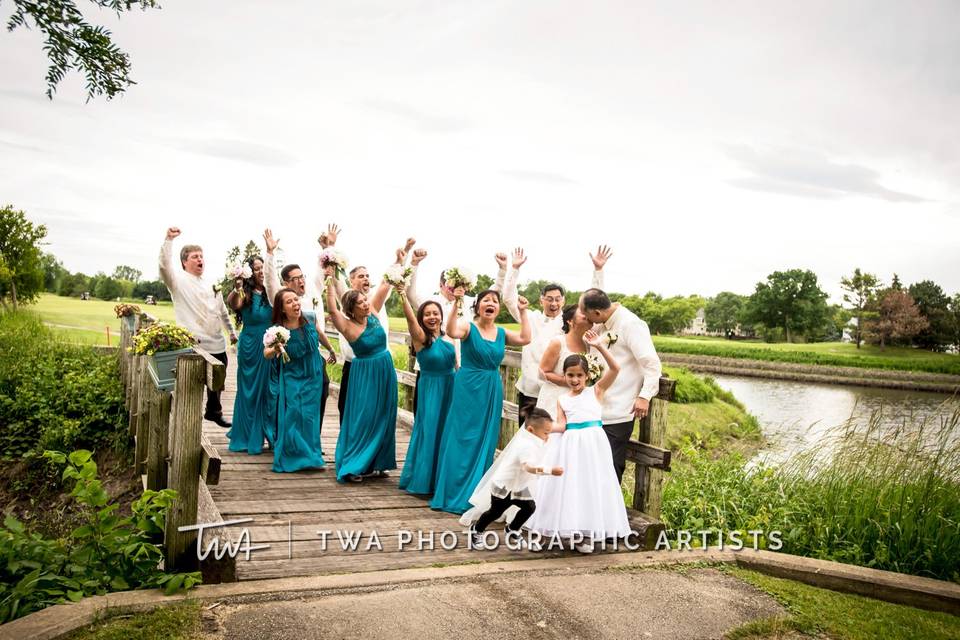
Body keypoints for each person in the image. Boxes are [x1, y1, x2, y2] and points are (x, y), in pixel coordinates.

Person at [527, 332, 631, 553]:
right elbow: (562, 425)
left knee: (589, 487)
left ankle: (583, 535)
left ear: (587, 376)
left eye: (579, 375)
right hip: (570, 447)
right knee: (564, 488)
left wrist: (600, 346)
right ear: (564, 375)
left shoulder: (596, 391)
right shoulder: (562, 399)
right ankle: (543, 534)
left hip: (593, 447)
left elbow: (615, 369)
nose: (574, 380)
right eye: (570, 375)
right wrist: (543, 429)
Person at [429, 289, 531, 514]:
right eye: (486, 300)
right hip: (467, 386)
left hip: (491, 387)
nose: (491, 303)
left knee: (485, 438)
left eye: (495, 301)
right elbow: (451, 330)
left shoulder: (502, 332)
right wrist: (456, 302)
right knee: (462, 436)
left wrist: (523, 313)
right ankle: (452, 490)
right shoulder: (468, 326)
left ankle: (476, 491)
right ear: (478, 306)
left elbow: (525, 338)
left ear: (498, 309)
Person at [502, 246, 611, 425]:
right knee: (529, 440)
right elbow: (508, 299)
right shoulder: (530, 317)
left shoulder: (569, 321)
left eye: (558, 299)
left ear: (564, 300)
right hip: (530, 390)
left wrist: (598, 270)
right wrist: (514, 268)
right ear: (541, 300)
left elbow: (592, 302)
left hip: (559, 393)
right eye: (549, 299)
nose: (554, 303)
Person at [405, 248, 514, 413]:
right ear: (441, 285)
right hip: (432, 366)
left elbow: (493, 293)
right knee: (426, 412)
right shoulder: (431, 303)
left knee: (453, 414)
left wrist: (502, 270)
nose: (455, 290)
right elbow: (410, 293)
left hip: (461, 369)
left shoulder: (470, 303)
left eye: (459, 286)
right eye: (451, 287)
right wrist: (414, 264)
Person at [324, 262, 397, 483]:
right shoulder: (346, 325)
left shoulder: (373, 312)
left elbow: (385, 285)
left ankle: (378, 462)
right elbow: (332, 308)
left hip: (385, 369)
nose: (366, 303)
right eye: (360, 303)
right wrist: (329, 280)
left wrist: (399, 262)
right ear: (351, 309)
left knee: (385, 416)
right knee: (363, 418)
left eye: (365, 300)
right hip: (364, 374)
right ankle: (355, 463)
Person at [579, 288, 662, 483]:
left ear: (597, 313)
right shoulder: (601, 322)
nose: (585, 319)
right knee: (589, 467)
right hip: (594, 409)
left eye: (587, 315)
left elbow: (652, 364)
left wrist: (644, 396)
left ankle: (609, 512)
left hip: (618, 412)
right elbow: (594, 294)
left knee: (610, 467)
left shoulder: (631, 324)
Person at [159, 227, 237, 428]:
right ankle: (188, 421)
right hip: (193, 344)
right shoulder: (177, 281)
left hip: (217, 343)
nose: (200, 259)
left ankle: (213, 411)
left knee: (218, 379)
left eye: (201, 256)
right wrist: (168, 240)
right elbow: (164, 266)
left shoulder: (212, 284)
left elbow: (222, 311)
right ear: (185, 262)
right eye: (195, 256)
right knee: (192, 385)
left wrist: (231, 332)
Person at [263, 228, 338, 436]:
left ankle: (313, 437)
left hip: (314, 355)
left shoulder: (313, 289)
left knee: (321, 391)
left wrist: (329, 246)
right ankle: (286, 438)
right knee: (291, 403)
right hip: (291, 359)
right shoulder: (280, 296)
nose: (300, 281)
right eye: (294, 278)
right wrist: (270, 253)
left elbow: (324, 268)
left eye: (301, 276)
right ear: (286, 283)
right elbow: (269, 280)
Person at [326, 231, 406, 425]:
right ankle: (351, 445)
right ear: (351, 280)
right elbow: (335, 284)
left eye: (368, 276)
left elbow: (386, 284)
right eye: (361, 276)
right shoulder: (347, 299)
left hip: (380, 366)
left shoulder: (373, 306)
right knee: (348, 409)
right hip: (354, 366)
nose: (366, 279)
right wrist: (330, 250)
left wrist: (400, 261)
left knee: (377, 413)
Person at [459, 408, 563, 550]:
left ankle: (512, 529)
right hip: (504, 487)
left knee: (529, 507)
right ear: (531, 430)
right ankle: (476, 529)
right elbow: (529, 467)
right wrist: (549, 470)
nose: (548, 437)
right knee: (495, 512)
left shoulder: (533, 441)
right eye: (546, 433)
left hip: (518, 486)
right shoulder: (526, 445)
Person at [394, 283, 456, 495]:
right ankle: (424, 480)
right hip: (431, 388)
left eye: (435, 313)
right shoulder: (421, 338)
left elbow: (457, 366)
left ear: (441, 316)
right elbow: (411, 320)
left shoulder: (448, 338)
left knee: (446, 432)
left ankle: (441, 479)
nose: (432, 317)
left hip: (451, 387)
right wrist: (403, 296)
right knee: (430, 429)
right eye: (427, 314)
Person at [263, 288, 327, 473]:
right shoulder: (278, 329)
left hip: (313, 373)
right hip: (291, 375)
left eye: (296, 299)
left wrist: (330, 350)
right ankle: (292, 456)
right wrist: (276, 348)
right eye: (289, 302)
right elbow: (266, 353)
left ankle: (311, 458)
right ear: (282, 308)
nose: (295, 304)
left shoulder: (310, 317)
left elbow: (320, 334)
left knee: (309, 417)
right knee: (293, 413)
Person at [225, 255, 272, 454]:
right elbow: (233, 304)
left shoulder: (273, 290)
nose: (261, 271)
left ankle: (269, 433)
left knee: (269, 391)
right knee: (248, 391)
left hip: (270, 343)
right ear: (250, 273)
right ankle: (245, 434)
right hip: (251, 345)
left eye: (264, 268)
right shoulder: (244, 292)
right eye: (257, 268)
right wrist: (237, 288)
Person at [535, 304, 598, 420]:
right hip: (554, 399)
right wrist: (569, 381)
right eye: (583, 314)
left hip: (578, 401)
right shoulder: (558, 342)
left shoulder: (589, 344)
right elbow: (543, 371)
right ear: (570, 321)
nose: (588, 316)